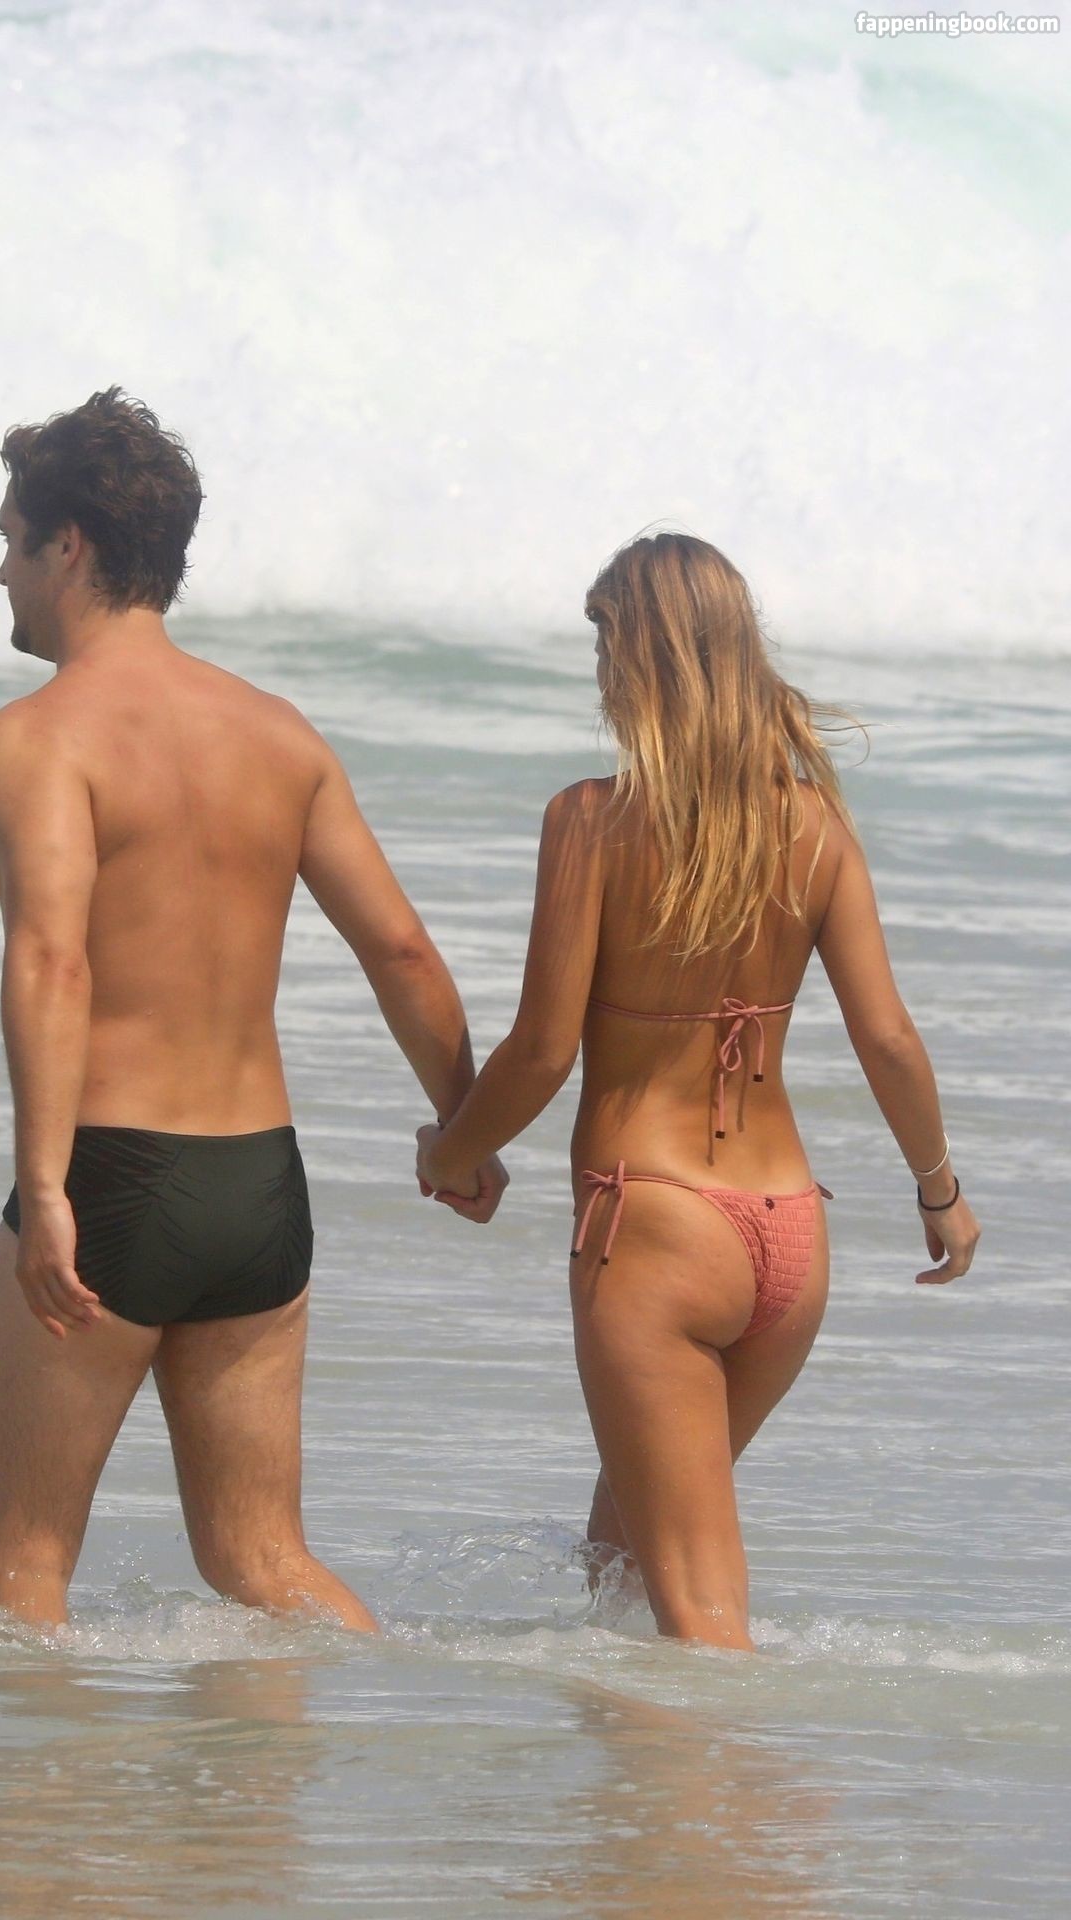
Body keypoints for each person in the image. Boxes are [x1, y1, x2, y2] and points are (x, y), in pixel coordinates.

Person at [0, 387, 505, 1631]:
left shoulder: (37, 739)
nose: (0, 574)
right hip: (257, 1189)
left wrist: (45, 1190)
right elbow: (402, 951)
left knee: (22, 1564)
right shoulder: (278, 735)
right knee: (264, 1564)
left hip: (108, 1175)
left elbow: (53, 960)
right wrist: (464, 1128)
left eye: (10, 542)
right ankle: (354, 1742)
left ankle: (43, 1781)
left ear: (68, 546)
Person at [416, 531, 980, 1652]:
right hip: (788, 1240)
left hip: (656, 1230)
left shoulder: (591, 821)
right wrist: (939, 1190)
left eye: (604, 644)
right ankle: (631, 1767)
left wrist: (450, 1152)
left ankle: (738, 1771)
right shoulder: (815, 827)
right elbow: (886, 1036)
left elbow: (542, 1050)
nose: (597, 671)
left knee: (699, 1612)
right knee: (621, 1558)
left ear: (644, 658)